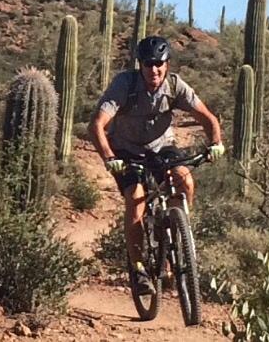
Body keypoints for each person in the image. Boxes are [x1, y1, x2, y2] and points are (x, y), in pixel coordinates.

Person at [88, 35, 224, 295]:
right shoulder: (124, 85)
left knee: (184, 179)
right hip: (126, 150)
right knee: (136, 199)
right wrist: (109, 158)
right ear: (140, 64)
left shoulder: (175, 86)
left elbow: (207, 117)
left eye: (159, 63)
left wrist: (216, 142)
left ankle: (178, 227)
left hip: (161, 146)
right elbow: (96, 124)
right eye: (149, 64)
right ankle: (138, 268)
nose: (154, 69)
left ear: (167, 64)